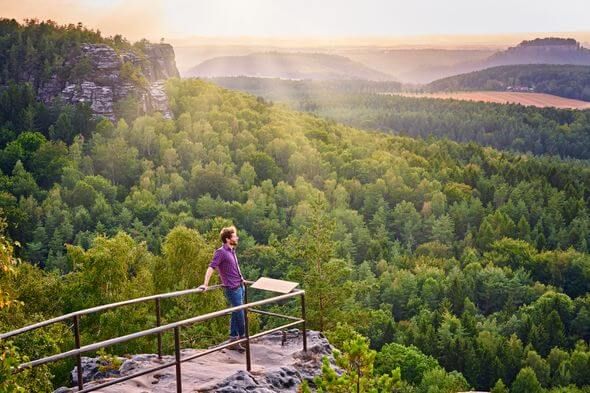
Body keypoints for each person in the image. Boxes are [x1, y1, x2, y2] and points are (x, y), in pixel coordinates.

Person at [198, 225, 246, 352]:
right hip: (232, 289)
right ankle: (243, 337)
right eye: (235, 236)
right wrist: (205, 284)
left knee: (236, 313)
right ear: (227, 239)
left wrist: (242, 279)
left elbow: (235, 267)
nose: (237, 237)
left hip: (240, 286)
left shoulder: (232, 251)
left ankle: (233, 340)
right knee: (240, 313)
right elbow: (211, 267)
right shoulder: (221, 252)